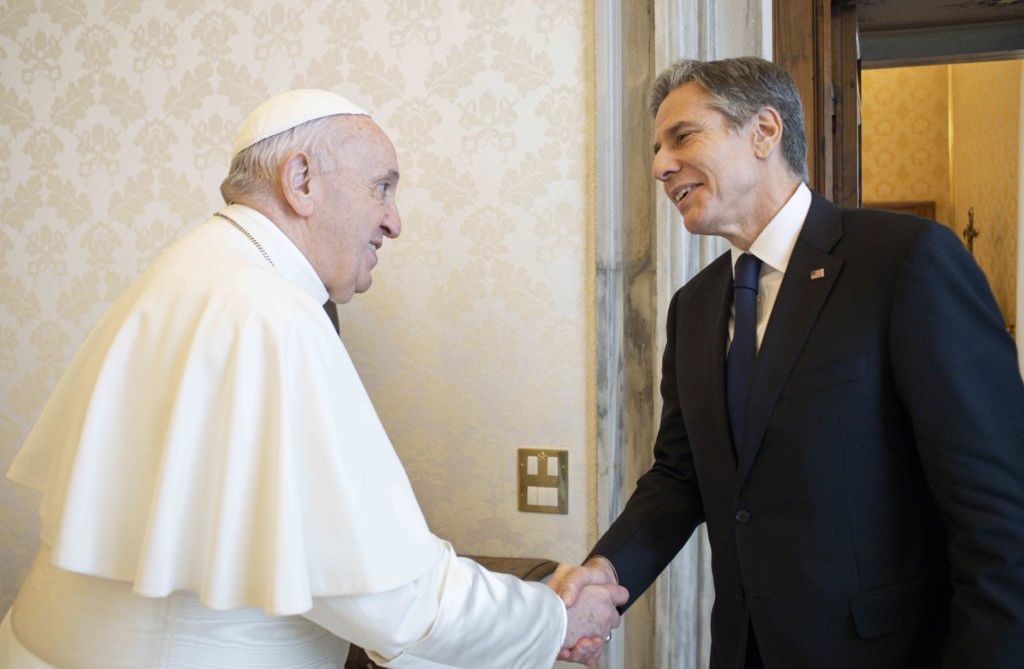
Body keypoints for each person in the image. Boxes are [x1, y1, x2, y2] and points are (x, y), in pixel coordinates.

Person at [1, 89, 627, 668]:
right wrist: (553, 616)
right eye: (382, 187)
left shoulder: (195, 269)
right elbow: (390, 597)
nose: (394, 222)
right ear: (300, 180)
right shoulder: (269, 310)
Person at [551, 57, 1024, 668]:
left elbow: (998, 516)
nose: (660, 165)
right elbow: (679, 476)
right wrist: (602, 576)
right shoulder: (692, 309)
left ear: (764, 132)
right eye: (656, 148)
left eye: (683, 136)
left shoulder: (904, 262)